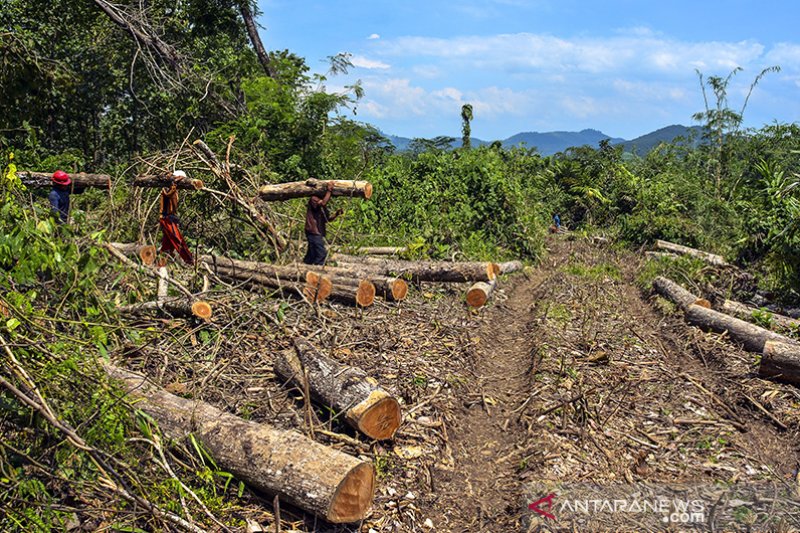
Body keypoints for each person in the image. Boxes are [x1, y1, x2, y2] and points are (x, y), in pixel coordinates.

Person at [158, 170, 194, 265]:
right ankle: (190, 262)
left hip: (169, 218)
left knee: (167, 245)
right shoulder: (168, 188)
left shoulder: (171, 188)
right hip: (167, 219)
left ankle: (160, 265)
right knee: (178, 240)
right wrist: (175, 183)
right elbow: (167, 194)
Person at [304, 181, 343, 265]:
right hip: (313, 231)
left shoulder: (322, 205)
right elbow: (323, 202)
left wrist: (336, 214)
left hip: (317, 232)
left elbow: (327, 219)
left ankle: (303, 269)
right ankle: (318, 271)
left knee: (311, 256)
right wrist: (329, 190)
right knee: (321, 254)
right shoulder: (314, 199)